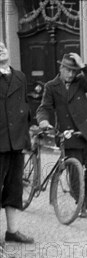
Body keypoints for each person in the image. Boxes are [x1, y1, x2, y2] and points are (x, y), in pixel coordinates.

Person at [37, 53, 87, 218]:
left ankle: (84, 192)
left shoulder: (81, 81)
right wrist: (44, 121)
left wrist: (83, 66)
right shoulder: (51, 86)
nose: (72, 74)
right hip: (69, 136)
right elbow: (44, 107)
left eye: (75, 71)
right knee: (75, 173)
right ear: (61, 68)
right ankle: (80, 201)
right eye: (69, 70)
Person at [0, 40, 34, 244]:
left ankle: (12, 231)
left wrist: (27, 134)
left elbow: (25, 106)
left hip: (16, 141)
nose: (1, 48)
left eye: (2, 45)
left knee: (14, 188)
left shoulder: (19, 76)